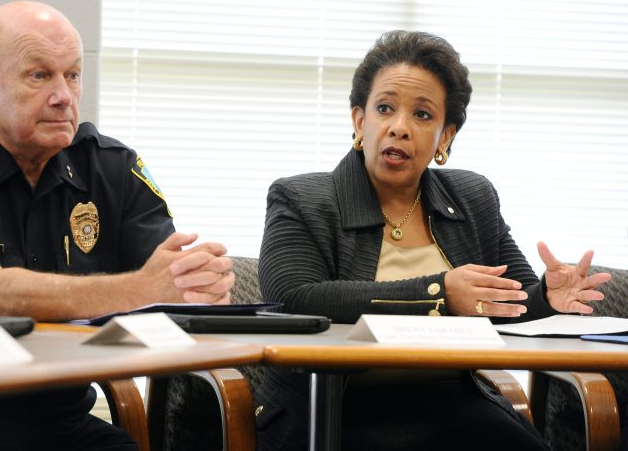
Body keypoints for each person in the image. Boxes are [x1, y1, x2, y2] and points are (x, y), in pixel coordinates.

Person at [0, 0, 234, 450]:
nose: (64, 96)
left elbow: (169, 280)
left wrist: (200, 282)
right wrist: (144, 287)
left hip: (59, 423)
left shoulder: (110, 167)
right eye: (40, 75)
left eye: (73, 75)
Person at [253, 30, 611, 451]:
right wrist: (438, 293)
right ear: (359, 120)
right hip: (335, 410)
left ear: (445, 137)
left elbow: (511, 304)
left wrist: (549, 299)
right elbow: (294, 297)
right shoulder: (302, 198)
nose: (399, 128)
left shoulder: (472, 197)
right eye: (385, 108)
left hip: (453, 405)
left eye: (422, 115)